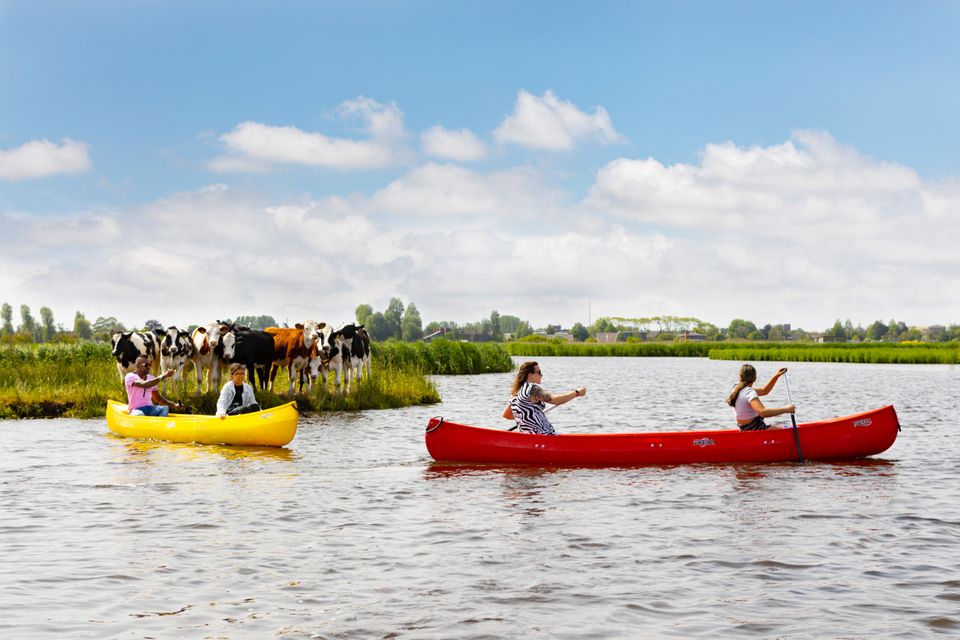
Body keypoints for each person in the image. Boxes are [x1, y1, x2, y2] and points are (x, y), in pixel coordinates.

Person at [501, 361, 586, 435]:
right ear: (530, 375)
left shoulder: (516, 392)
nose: (541, 375)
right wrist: (576, 393)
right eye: (539, 372)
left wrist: (525, 417)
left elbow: (506, 415)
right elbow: (556, 400)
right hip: (543, 436)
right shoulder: (532, 389)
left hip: (528, 436)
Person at [726, 364, 795, 431]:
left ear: (739, 377)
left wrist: (776, 376)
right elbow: (763, 412)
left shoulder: (735, 389)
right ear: (755, 378)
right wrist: (787, 409)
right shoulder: (749, 392)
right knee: (785, 426)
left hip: (744, 429)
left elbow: (764, 391)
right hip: (756, 429)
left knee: (779, 424)